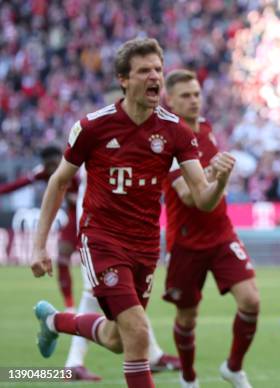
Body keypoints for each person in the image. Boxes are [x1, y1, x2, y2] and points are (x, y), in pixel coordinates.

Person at [30, 38, 235, 388]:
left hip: (144, 247)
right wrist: (39, 246)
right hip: (102, 239)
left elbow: (202, 198)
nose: (155, 76)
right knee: (138, 332)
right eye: (145, 71)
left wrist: (220, 180)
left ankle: (54, 322)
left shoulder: (175, 132)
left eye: (158, 69)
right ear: (124, 79)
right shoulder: (93, 126)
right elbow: (58, 182)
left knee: (116, 338)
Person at [161, 69, 259, 388]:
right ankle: (188, 378)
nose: (194, 100)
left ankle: (233, 367)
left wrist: (220, 178)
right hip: (187, 242)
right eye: (186, 96)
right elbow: (192, 197)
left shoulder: (205, 128)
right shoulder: (166, 142)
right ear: (170, 100)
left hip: (221, 233)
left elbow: (211, 190)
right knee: (187, 317)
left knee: (251, 301)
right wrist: (219, 177)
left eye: (197, 94)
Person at [62, 168, 180, 382]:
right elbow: (60, 177)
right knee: (95, 294)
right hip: (99, 232)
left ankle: (153, 355)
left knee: (121, 325)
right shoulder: (95, 137)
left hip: (130, 233)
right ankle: (72, 360)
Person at [0, 145, 77, 313]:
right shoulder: (43, 174)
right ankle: (70, 307)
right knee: (62, 257)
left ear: (61, 160)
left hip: (94, 216)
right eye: (47, 165)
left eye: (53, 164)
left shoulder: (77, 169)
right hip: (73, 219)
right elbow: (17, 185)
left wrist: (79, 199)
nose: (51, 169)